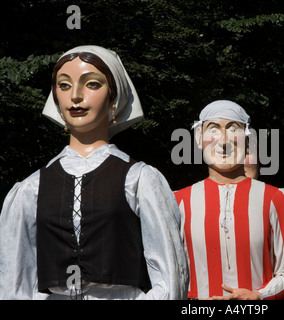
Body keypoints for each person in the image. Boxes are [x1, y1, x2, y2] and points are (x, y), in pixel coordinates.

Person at [0, 45, 189, 300]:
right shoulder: (31, 188)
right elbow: (15, 279)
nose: (75, 96)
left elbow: (170, 274)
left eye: (91, 84)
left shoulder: (139, 179)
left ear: (114, 98)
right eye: (64, 85)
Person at [174, 100, 284, 300]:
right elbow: (169, 273)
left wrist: (257, 296)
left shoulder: (274, 198)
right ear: (199, 138)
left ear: (247, 138)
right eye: (213, 130)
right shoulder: (178, 201)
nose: (223, 141)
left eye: (234, 130)